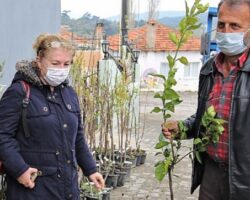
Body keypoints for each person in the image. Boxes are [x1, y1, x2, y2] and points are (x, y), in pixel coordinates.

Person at [162, 0, 250, 199]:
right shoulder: (209, 69)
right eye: (221, 25)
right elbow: (206, 114)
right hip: (211, 172)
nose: (226, 32)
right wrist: (183, 128)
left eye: (235, 26)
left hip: (245, 178)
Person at [0, 33, 104, 200]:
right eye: (55, 63)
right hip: (32, 188)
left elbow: (77, 137)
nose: (61, 69)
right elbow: (2, 136)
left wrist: (91, 169)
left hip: (67, 189)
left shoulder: (69, 94)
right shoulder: (20, 92)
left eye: (66, 64)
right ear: (39, 60)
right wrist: (20, 170)